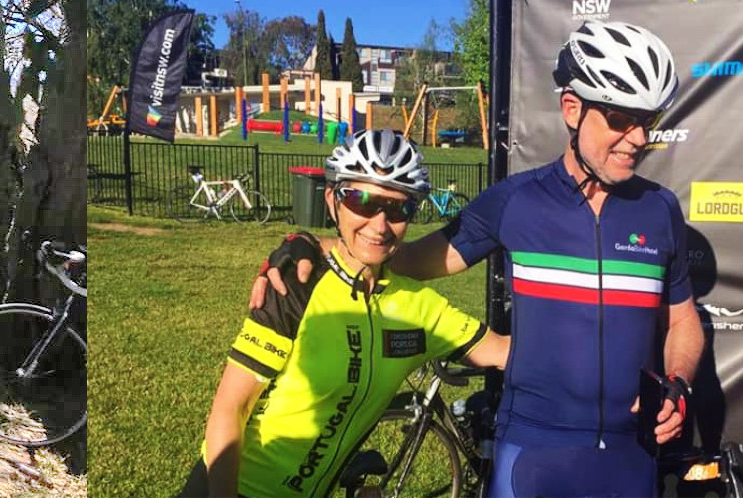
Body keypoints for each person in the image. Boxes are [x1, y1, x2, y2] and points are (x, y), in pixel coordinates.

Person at [250, 21, 702, 497]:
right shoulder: (517, 201)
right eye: (619, 119)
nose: (636, 138)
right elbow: (406, 258)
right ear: (572, 108)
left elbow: (683, 321)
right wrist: (308, 244)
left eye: (646, 122)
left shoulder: (659, 210)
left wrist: (678, 383)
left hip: (630, 457)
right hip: (532, 451)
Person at [181, 130, 510, 497]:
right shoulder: (298, 282)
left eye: (399, 208)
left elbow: (505, 352)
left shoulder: (421, 308)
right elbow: (231, 408)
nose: (379, 225)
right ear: (332, 199)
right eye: (362, 200)